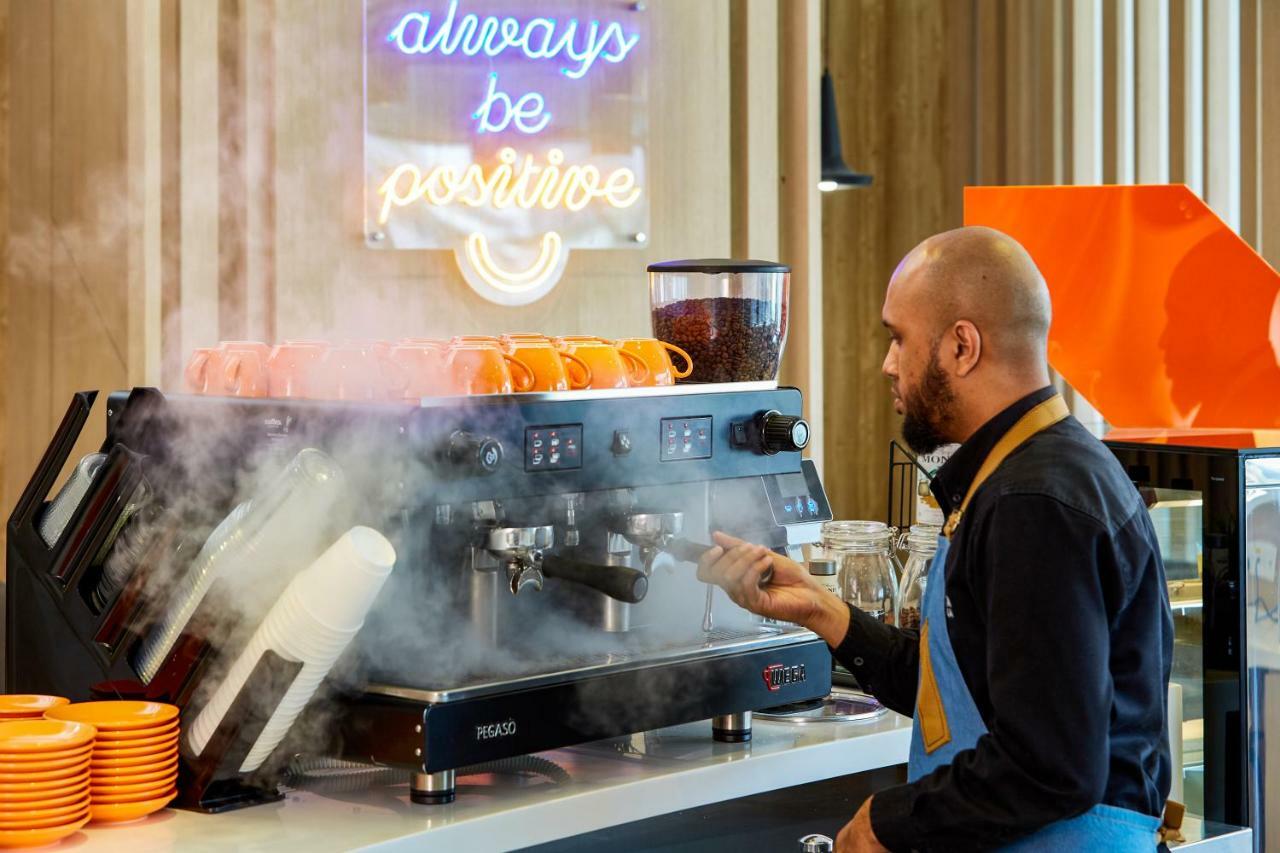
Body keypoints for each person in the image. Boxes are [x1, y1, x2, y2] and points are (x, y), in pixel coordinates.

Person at [698, 226, 1174, 851]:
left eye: (897, 339)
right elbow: (956, 691)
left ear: (961, 347)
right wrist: (821, 608)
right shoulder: (1028, 472)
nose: (887, 364)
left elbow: (1050, 767)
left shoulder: (1032, 505)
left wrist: (889, 821)